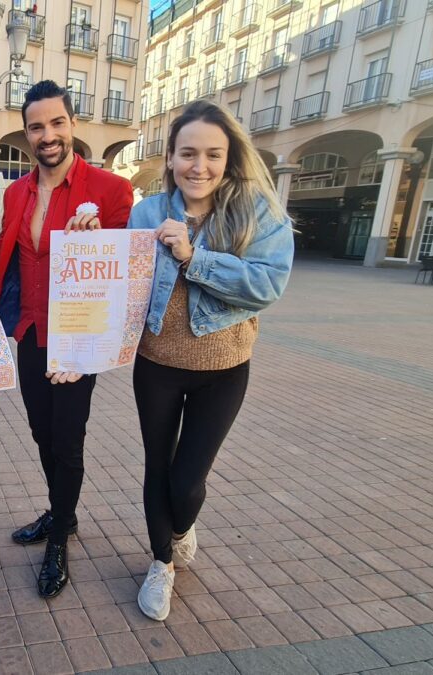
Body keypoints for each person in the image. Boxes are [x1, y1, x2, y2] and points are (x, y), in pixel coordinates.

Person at [127, 100, 294, 620]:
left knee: (188, 479)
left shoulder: (255, 211)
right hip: (155, 364)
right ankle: (161, 564)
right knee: (158, 466)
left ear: (229, 158)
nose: (199, 166)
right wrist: (96, 241)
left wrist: (194, 257)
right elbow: (122, 283)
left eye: (213, 155)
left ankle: (180, 527)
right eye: (188, 154)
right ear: (170, 158)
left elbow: (268, 285)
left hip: (223, 369)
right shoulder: (148, 213)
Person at [0, 80, 134, 598]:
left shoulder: (111, 190)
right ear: (26, 133)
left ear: (72, 125)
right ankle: (59, 512)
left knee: (68, 439)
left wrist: (99, 242)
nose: (46, 135)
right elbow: (2, 261)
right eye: (36, 126)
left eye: (56, 123)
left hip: (76, 336)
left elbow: (120, 273)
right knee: (41, 432)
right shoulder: (15, 192)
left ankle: (60, 536)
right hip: (30, 331)